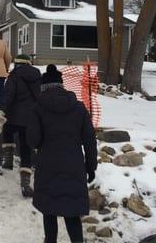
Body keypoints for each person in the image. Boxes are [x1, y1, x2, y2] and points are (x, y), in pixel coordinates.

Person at [26, 64, 98, 243]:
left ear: (43, 87)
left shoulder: (37, 108)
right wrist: (91, 166)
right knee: (71, 211)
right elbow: (90, 140)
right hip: (74, 166)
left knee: (49, 211)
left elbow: (33, 140)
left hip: (47, 166)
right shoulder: (79, 107)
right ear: (62, 85)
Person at [0, 54, 41, 197]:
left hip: (13, 116)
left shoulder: (14, 76)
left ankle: (8, 161)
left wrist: (1, 110)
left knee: (7, 132)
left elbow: (8, 95)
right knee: (25, 148)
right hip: (30, 119)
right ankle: (25, 184)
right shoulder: (37, 76)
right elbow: (40, 97)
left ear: (17, 64)